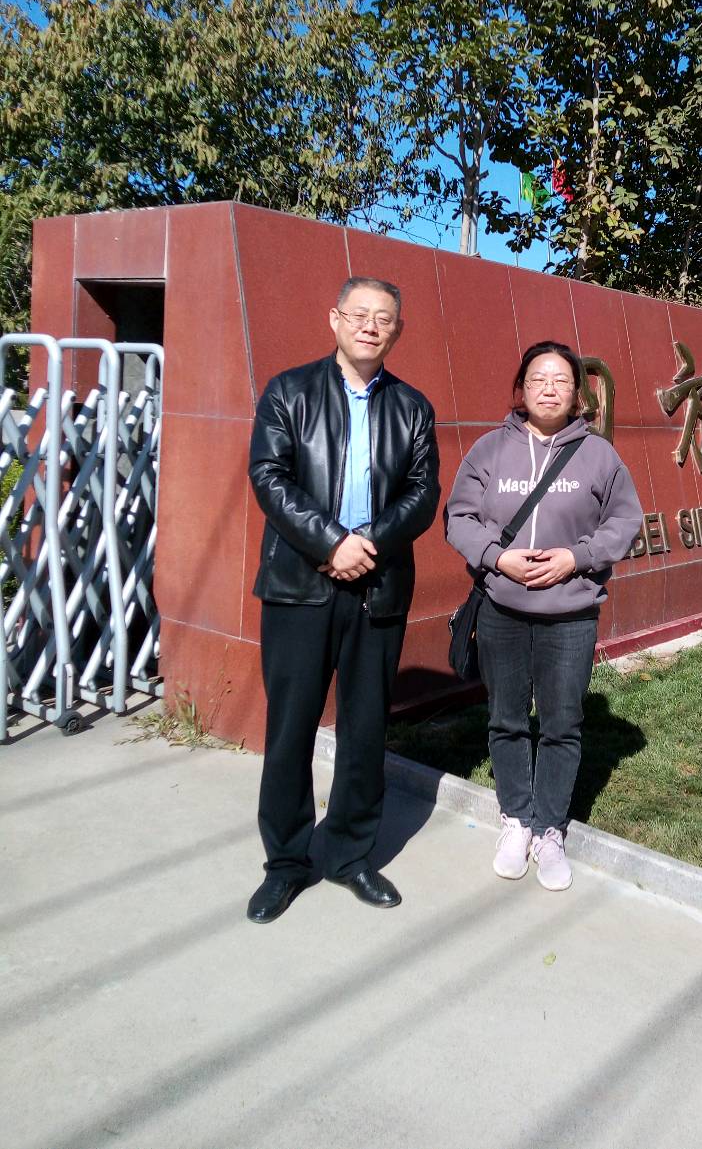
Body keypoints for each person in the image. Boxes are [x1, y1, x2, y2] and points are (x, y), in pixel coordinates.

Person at [245, 277, 439, 923]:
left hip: (376, 588)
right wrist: (330, 542)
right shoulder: (289, 391)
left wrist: (367, 544)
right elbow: (269, 476)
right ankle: (286, 862)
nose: (369, 326)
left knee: (365, 729)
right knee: (290, 728)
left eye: (383, 318)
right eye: (359, 314)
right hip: (300, 586)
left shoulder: (412, 407)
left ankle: (352, 854)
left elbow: (422, 493)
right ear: (334, 319)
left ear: (397, 330)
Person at [445, 340, 642, 890]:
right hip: (503, 608)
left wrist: (576, 558)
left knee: (561, 724)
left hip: (570, 613)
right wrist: (497, 557)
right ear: (521, 388)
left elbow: (624, 521)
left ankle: (549, 828)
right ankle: (516, 818)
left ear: (578, 394)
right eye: (538, 379)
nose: (549, 389)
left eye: (561, 380)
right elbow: (459, 517)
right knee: (506, 718)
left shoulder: (598, 455)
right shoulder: (489, 449)